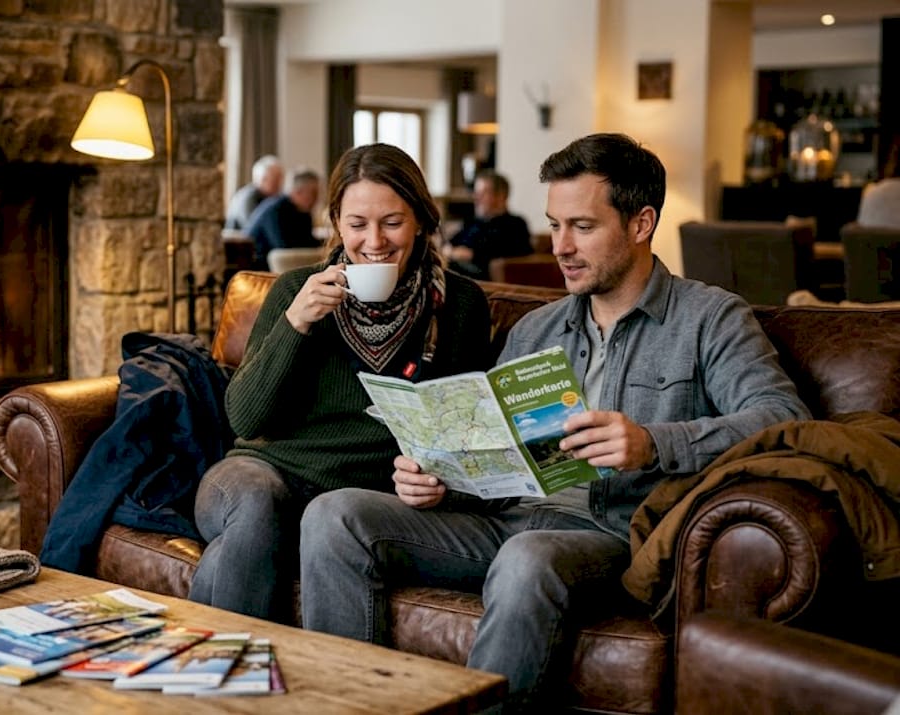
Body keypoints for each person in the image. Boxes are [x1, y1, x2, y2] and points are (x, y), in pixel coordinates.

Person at [298, 133, 811, 712]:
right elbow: (492, 454)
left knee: (529, 556)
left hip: (613, 533)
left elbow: (784, 419)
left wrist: (653, 444)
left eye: (582, 227)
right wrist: (439, 478)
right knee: (335, 514)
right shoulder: (535, 330)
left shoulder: (709, 318)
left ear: (641, 223)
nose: (560, 246)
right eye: (554, 224)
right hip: (506, 522)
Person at [188, 143, 494, 621]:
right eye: (357, 224)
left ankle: (217, 663)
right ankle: (234, 672)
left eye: (392, 222)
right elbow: (245, 419)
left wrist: (440, 484)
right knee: (255, 505)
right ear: (336, 222)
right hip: (262, 473)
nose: (374, 241)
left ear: (420, 221)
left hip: (362, 501)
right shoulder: (295, 290)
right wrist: (296, 323)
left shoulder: (459, 306)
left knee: (287, 533)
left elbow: (468, 435)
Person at [446, 169, 533, 279]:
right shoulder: (473, 222)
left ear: (501, 196)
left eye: (483, 193)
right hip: (459, 267)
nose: (476, 198)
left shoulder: (515, 224)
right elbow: (451, 243)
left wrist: (471, 254)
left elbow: (511, 254)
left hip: (484, 275)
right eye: (476, 193)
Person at [245, 168, 322, 270]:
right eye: (314, 193)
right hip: (259, 270)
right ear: (298, 192)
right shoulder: (275, 210)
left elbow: (309, 243)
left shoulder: (304, 213)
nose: (317, 198)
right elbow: (282, 247)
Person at [225, 155, 284, 230]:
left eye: (280, 179)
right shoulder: (248, 198)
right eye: (275, 180)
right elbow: (254, 228)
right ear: (261, 179)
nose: (279, 184)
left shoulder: (275, 198)